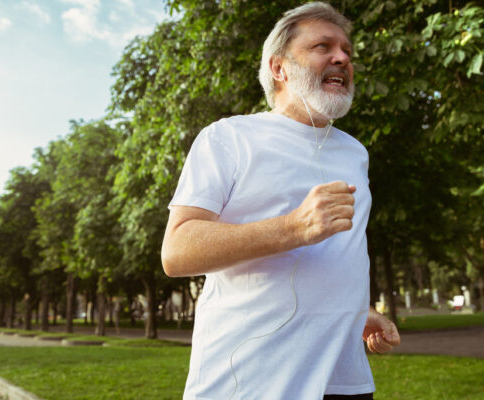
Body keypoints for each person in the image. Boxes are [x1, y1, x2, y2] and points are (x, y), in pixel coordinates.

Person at [161, 2, 400, 399]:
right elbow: (177, 251)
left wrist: (356, 311)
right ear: (279, 68)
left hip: (345, 379)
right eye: (322, 47)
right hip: (251, 381)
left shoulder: (355, 152)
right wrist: (294, 227)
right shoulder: (228, 137)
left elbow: (341, 255)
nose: (342, 57)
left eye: (347, 51)